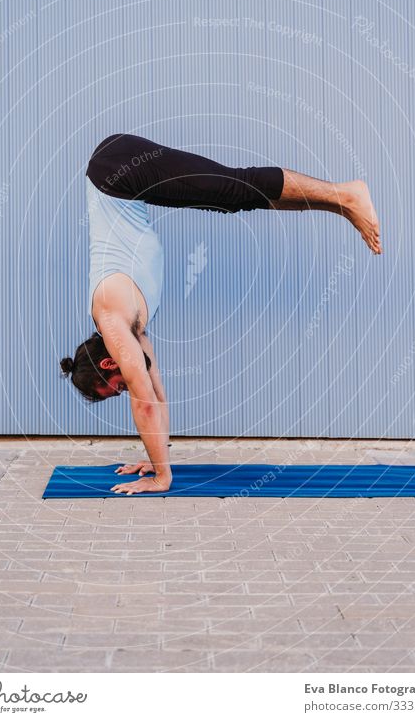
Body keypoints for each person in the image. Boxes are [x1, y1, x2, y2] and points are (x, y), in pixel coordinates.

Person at [60, 132, 382, 495]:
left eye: (114, 388)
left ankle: (347, 194)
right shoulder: (135, 332)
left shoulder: (111, 320)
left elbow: (144, 403)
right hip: (121, 180)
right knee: (233, 198)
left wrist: (160, 480)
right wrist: (156, 459)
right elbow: (159, 399)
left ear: (106, 365)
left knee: (233, 188)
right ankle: (341, 203)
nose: (124, 390)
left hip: (115, 169)